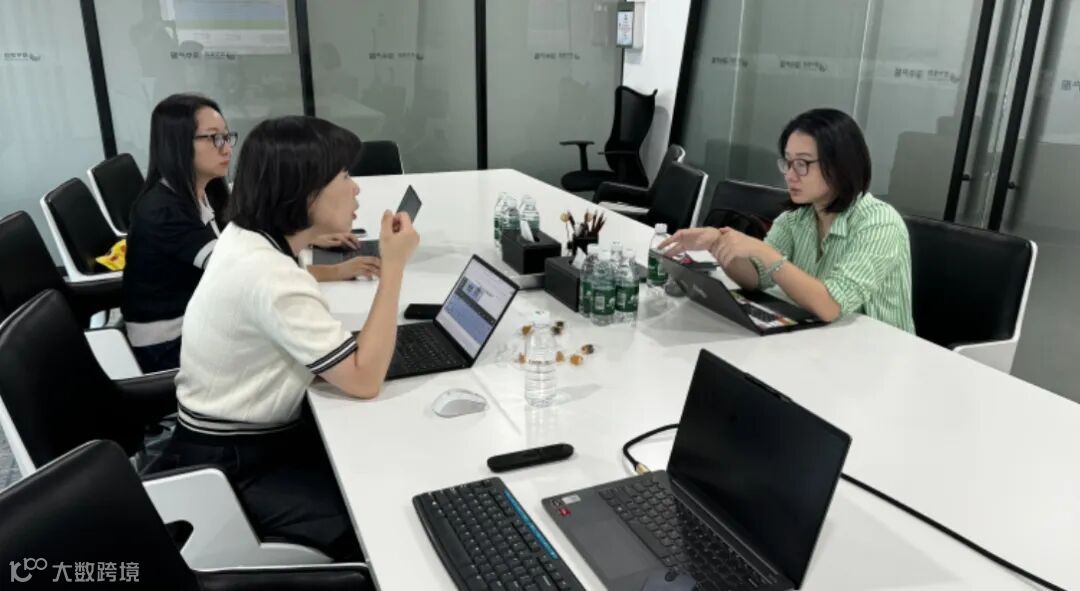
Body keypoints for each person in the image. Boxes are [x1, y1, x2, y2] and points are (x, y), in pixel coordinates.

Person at [151, 115, 419, 561]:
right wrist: (393, 268)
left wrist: (314, 234)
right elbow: (363, 380)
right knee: (381, 520)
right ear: (305, 191)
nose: (356, 189)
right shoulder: (270, 275)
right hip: (239, 465)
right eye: (344, 176)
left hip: (218, 440)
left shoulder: (247, 237)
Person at [122, 94, 380, 372]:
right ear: (177, 144)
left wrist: (309, 235)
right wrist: (336, 271)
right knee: (323, 356)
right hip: (170, 344)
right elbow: (247, 275)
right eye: (213, 138)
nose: (226, 148)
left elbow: (249, 242)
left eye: (226, 136)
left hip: (206, 321)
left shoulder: (207, 190)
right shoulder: (163, 211)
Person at [660, 108, 914, 332]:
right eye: (788, 163)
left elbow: (830, 305)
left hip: (881, 354)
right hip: (824, 341)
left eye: (802, 164)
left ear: (840, 165)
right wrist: (718, 243)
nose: (790, 175)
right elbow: (756, 278)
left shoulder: (880, 223)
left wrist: (764, 252)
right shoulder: (796, 218)